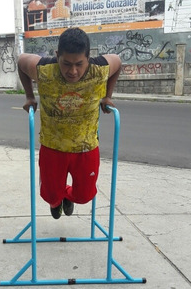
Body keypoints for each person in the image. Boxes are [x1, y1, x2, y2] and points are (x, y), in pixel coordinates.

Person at [18, 27, 121, 219]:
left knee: (84, 196)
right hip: (52, 145)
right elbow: (21, 60)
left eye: (79, 64)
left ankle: (69, 196)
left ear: (88, 58)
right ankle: (57, 200)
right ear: (57, 56)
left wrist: (108, 96)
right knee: (49, 195)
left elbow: (118, 61)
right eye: (66, 63)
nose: (72, 71)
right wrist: (29, 97)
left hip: (86, 145)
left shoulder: (99, 69)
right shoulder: (44, 69)